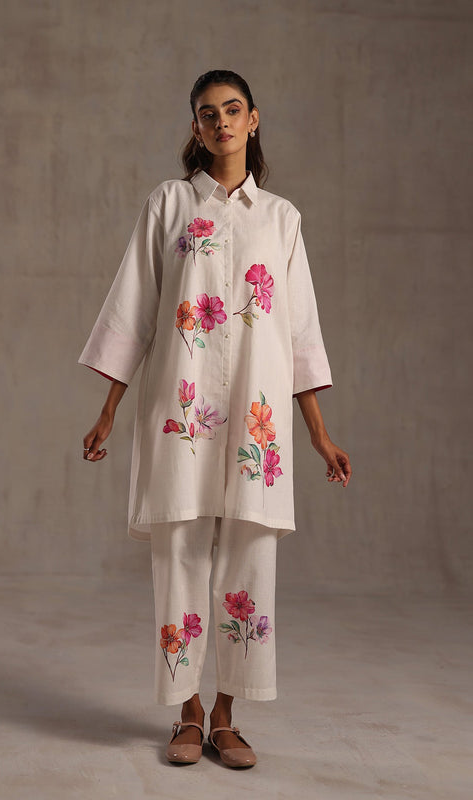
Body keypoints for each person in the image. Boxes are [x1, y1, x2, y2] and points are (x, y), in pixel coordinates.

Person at [79, 69, 352, 768]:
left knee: (249, 554)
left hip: (257, 420)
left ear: (253, 120)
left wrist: (319, 433)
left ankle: (227, 714)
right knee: (177, 551)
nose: (221, 122)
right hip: (183, 411)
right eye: (208, 113)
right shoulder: (169, 205)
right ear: (196, 127)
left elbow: (299, 333)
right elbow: (134, 310)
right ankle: (187, 710)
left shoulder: (281, 219)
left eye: (233, 110)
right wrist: (108, 411)